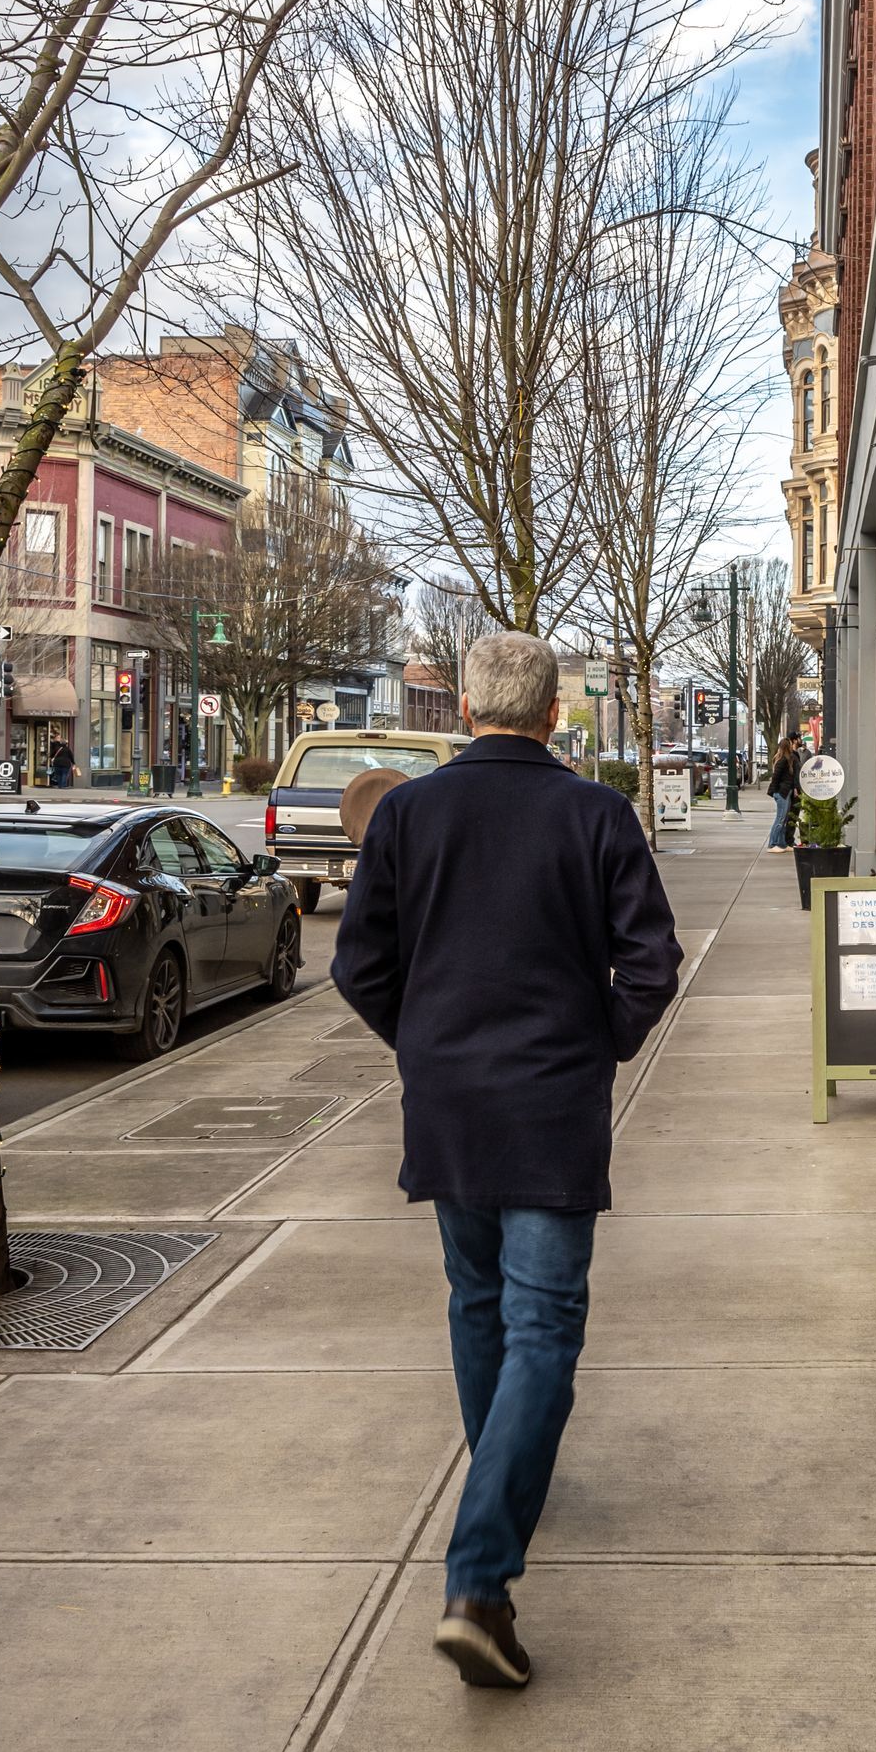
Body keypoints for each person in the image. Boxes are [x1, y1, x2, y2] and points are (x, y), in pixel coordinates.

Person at [332, 630, 682, 1690]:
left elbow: (359, 966)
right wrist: (597, 1040)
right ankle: (481, 1574)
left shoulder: (408, 813)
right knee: (543, 1325)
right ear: (549, 714)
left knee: (477, 1302)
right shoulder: (594, 815)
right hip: (548, 1104)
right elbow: (652, 964)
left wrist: (427, 1042)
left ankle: (501, 1478)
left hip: (450, 1104)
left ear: (472, 710)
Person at [764, 736, 800, 850]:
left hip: (785, 792)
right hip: (782, 793)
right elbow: (776, 777)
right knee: (780, 819)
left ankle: (782, 843)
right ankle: (773, 844)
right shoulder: (783, 760)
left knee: (784, 820)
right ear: (787, 746)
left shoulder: (786, 758)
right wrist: (775, 791)